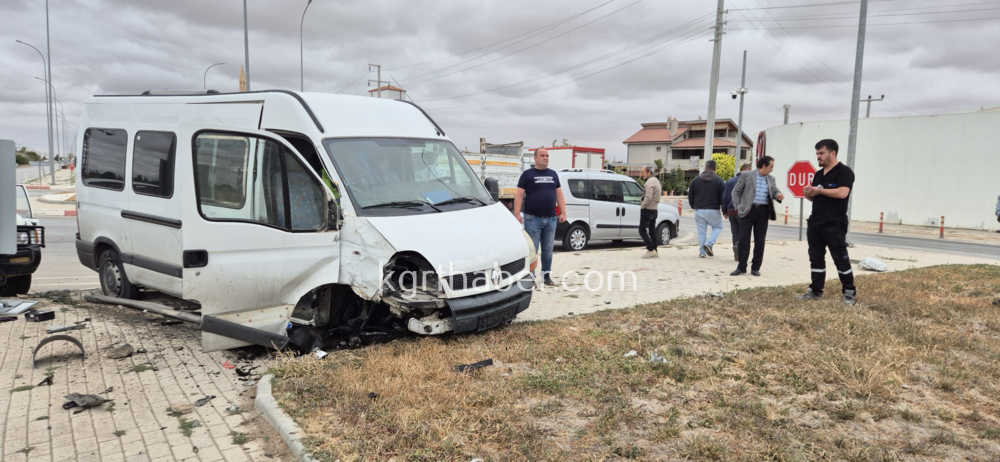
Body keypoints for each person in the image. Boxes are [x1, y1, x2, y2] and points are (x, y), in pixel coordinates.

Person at [799, 139, 857, 305]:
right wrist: (809, 193)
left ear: (832, 153)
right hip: (816, 222)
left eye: (821, 153)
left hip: (834, 223)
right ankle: (816, 290)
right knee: (815, 257)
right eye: (817, 153)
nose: (818, 157)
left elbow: (842, 193)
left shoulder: (844, 172)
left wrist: (820, 190)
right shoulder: (818, 174)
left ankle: (849, 292)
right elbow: (816, 196)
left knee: (840, 258)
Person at [514, 148, 567, 286]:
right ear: (535, 158)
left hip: (551, 219)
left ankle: (546, 276)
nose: (545, 158)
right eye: (542, 155)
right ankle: (531, 279)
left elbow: (559, 194)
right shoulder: (527, 174)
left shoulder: (553, 174)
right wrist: (517, 213)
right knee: (533, 250)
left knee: (548, 249)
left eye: (547, 156)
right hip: (533, 219)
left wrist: (563, 212)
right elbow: (519, 194)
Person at [730, 156, 784, 276]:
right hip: (747, 211)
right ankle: (741, 267)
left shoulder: (771, 179)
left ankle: (755, 268)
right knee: (744, 240)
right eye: (771, 167)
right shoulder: (746, 175)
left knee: (760, 241)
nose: (772, 169)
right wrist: (738, 207)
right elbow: (735, 192)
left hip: (763, 212)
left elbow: (774, 191)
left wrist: (778, 194)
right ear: (763, 166)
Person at [688, 160, 725, 258]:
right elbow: (723, 197)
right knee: (718, 227)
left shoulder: (695, 180)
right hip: (713, 209)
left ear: (705, 167)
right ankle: (709, 244)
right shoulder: (719, 180)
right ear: (715, 168)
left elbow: (690, 195)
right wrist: (724, 209)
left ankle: (702, 253)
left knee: (701, 232)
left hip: (699, 210)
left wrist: (693, 206)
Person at [723, 163, 752, 261]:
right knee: (744, 232)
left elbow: (725, 197)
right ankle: (741, 251)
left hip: (731, 210)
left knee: (735, 231)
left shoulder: (730, 181)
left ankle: (736, 246)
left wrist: (724, 211)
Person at [639, 166, 662, 258]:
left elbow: (648, 197)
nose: (641, 174)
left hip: (647, 209)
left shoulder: (649, 182)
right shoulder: (656, 181)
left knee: (642, 230)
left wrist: (642, 206)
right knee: (652, 230)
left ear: (648, 172)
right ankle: (655, 250)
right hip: (654, 209)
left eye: (643, 172)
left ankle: (651, 249)